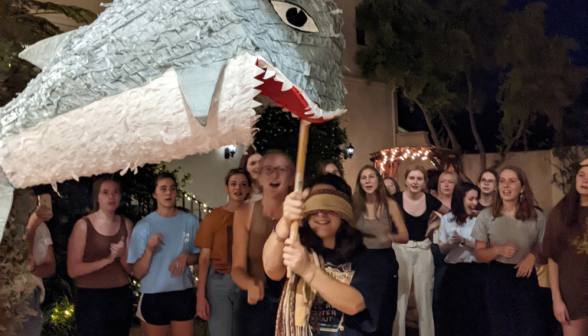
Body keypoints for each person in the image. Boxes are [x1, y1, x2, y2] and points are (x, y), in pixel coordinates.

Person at [263, 176, 398, 335]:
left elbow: (354, 304)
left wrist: (308, 270)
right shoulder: (300, 247)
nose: (320, 213)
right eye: (313, 205)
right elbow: (272, 269)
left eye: (329, 206)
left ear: (345, 209)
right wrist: (285, 220)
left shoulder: (371, 255)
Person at [471, 166, 548, 336]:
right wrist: (498, 249)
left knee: (529, 327)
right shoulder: (486, 216)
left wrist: (531, 257)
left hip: (525, 276)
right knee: (501, 328)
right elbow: (479, 254)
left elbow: (545, 248)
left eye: (511, 181)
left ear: (521, 187)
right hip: (498, 277)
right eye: (502, 181)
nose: (506, 186)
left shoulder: (537, 216)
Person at [128, 173, 200, 336]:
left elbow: (200, 256)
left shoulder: (191, 221)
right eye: (163, 189)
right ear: (154, 194)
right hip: (154, 296)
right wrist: (149, 249)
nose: (168, 193)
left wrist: (186, 257)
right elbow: (138, 272)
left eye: (172, 189)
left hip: (182, 293)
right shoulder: (143, 226)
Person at [232, 150, 294, 336]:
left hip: (292, 302)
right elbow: (237, 268)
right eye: (268, 169)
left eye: (282, 169)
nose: (274, 175)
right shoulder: (245, 212)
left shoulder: (300, 213)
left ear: (291, 178)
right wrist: (249, 284)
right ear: (258, 177)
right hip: (257, 303)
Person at [67, 177, 134, 336]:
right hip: (91, 297)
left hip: (120, 295)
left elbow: (130, 268)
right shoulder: (83, 225)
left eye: (115, 192)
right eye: (105, 193)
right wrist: (107, 260)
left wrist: (122, 254)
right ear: (97, 196)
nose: (111, 197)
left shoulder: (127, 224)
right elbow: (73, 269)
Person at [392, 165, 449, 336]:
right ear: (405, 180)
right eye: (412, 178)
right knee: (399, 298)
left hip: (423, 249)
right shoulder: (395, 198)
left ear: (424, 182)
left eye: (419, 179)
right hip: (401, 249)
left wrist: (435, 224)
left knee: (424, 298)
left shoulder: (429, 200)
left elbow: (450, 214)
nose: (415, 182)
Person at [194, 168, 252, 336]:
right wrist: (200, 295)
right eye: (233, 184)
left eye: (243, 184)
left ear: (249, 189)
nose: (238, 188)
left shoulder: (255, 216)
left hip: (247, 281)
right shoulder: (213, 218)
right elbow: (204, 259)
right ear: (226, 188)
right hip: (219, 281)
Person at [543, 159, 588, 335]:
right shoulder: (561, 213)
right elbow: (553, 257)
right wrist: (556, 299)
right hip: (572, 294)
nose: (585, 181)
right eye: (581, 175)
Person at [438, 183, 488, 336]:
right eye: (471, 199)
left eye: (476, 199)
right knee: (453, 316)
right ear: (461, 199)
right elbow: (441, 249)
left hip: (475, 271)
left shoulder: (480, 218)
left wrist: (464, 241)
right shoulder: (447, 219)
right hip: (454, 272)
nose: (474, 203)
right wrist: (451, 243)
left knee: (476, 316)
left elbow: (485, 246)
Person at [20, 192, 55, 336]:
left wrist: (34, 268)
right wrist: (32, 227)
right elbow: (18, 259)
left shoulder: (40, 227)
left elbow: (50, 266)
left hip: (30, 295)